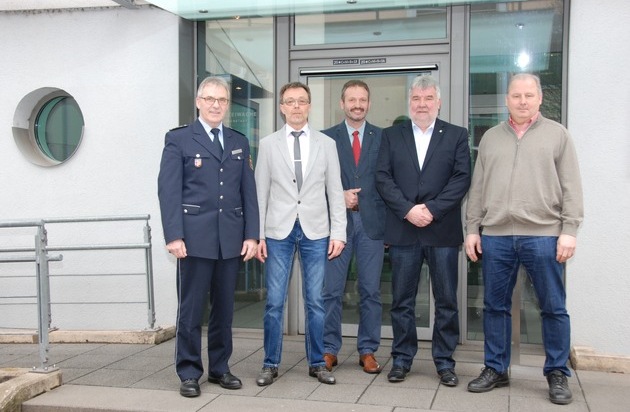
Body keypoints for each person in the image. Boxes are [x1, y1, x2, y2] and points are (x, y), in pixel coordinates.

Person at [465, 73, 583, 405]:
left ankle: (557, 372)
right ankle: (496, 368)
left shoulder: (558, 135)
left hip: (543, 235)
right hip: (497, 236)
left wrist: (569, 230)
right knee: (495, 306)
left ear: (539, 98)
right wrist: (472, 229)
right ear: (507, 100)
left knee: (552, 307)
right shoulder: (491, 138)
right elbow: (478, 188)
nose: (522, 101)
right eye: (516, 95)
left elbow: (572, 187)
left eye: (529, 95)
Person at [157, 76, 259, 397]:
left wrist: (252, 235)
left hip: (230, 239)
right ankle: (189, 371)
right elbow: (168, 191)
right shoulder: (179, 139)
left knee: (224, 310)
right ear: (198, 102)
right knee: (191, 310)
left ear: (228, 105)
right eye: (210, 99)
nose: (216, 105)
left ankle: (220, 368)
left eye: (222, 100)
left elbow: (248, 191)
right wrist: (174, 235)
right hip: (194, 240)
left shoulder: (238, 140)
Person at [375, 75, 471, 387]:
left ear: (438, 102)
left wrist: (431, 209)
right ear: (409, 102)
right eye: (416, 98)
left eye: (428, 98)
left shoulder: (456, 135)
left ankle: (445, 362)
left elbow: (461, 178)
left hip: (441, 230)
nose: (422, 104)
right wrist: (408, 210)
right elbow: (382, 177)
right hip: (404, 229)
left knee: (446, 301)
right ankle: (402, 359)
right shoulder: (391, 135)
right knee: (402, 301)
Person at [254, 82, 346, 386]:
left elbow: (335, 191)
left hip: (316, 231)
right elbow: (260, 192)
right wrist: (258, 235)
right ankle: (270, 363)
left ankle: (317, 362)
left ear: (309, 106)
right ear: (282, 107)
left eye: (302, 101)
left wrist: (339, 232)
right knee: (274, 302)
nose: (296, 106)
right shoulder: (268, 144)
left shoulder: (326, 144)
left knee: (316, 301)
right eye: (290, 101)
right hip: (277, 231)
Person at [321, 80, 386, 374]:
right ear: (342, 103)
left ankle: (368, 350)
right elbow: (315, 183)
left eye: (362, 100)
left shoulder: (383, 137)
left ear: (369, 104)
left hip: (372, 225)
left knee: (371, 291)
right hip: (337, 225)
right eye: (352, 100)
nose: (357, 105)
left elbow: (389, 180)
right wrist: (339, 196)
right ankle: (328, 349)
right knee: (331, 290)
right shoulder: (325, 139)